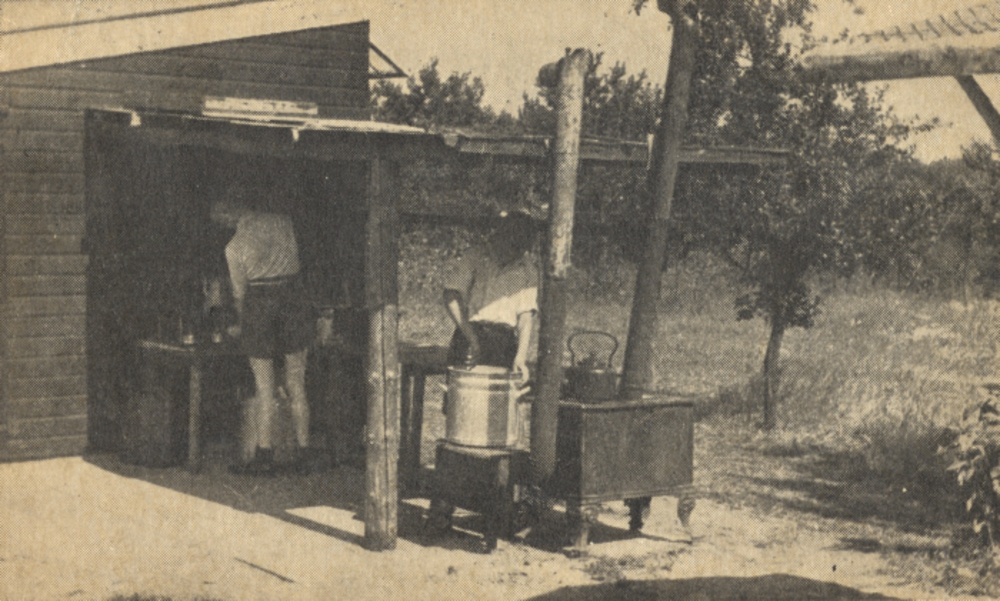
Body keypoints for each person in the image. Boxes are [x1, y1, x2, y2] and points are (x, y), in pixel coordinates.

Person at [210, 199, 317, 476]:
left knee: (264, 386)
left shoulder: (234, 247)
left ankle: (264, 455)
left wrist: (241, 322)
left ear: (228, 216)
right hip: (293, 298)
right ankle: (304, 453)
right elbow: (296, 260)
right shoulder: (283, 222)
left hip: (259, 303)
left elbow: (239, 294)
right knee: (296, 382)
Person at [443, 211, 540, 383]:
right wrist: (470, 337)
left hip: (504, 343)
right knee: (463, 394)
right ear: (501, 236)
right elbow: (451, 294)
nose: (516, 252)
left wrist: (520, 357)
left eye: (521, 248)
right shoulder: (475, 257)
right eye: (512, 244)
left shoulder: (527, 269)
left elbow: (526, 317)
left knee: (498, 395)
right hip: (469, 334)